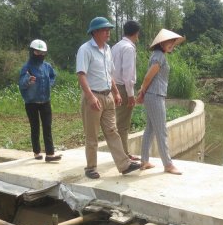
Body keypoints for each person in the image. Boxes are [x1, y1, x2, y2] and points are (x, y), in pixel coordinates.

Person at [76, 17, 141, 179]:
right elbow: (81, 75)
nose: (108, 33)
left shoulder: (107, 49)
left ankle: (124, 165)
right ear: (95, 32)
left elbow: (109, 74)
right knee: (92, 135)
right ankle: (91, 167)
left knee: (113, 131)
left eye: (109, 30)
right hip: (93, 97)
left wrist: (116, 92)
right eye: (105, 30)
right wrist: (90, 97)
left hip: (108, 96)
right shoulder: (85, 49)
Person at [136, 29, 184, 175]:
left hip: (154, 95)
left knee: (150, 129)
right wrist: (142, 92)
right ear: (161, 43)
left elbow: (149, 77)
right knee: (161, 131)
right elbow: (148, 77)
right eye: (169, 42)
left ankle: (144, 161)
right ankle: (168, 164)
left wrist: (144, 92)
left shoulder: (157, 55)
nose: (172, 45)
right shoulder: (159, 57)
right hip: (155, 95)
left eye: (173, 42)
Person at [18, 39, 62, 162]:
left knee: (47, 126)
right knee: (35, 127)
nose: (40, 55)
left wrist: (50, 84)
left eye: (43, 53)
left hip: (45, 101)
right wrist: (28, 80)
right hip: (31, 103)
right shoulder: (26, 68)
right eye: (37, 52)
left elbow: (53, 76)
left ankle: (50, 154)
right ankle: (37, 152)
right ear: (32, 52)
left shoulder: (47, 66)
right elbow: (21, 83)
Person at [112, 20, 141, 160]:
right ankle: (124, 155)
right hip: (123, 88)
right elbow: (128, 74)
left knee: (117, 122)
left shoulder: (116, 46)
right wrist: (130, 95)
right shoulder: (129, 48)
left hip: (113, 87)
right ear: (136, 33)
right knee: (123, 124)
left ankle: (121, 153)